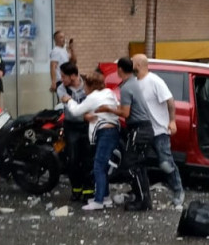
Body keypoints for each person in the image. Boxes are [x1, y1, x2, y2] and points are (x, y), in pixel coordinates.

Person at [132, 53, 185, 208]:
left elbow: (170, 100)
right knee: (139, 163)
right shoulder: (134, 83)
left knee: (166, 163)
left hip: (159, 131)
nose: (130, 64)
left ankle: (178, 190)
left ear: (139, 65)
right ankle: (141, 193)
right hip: (143, 131)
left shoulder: (155, 81)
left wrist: (172, 121)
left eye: (132, 62)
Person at [64, 70, 120, 211]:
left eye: (85, 86)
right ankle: (105, 197)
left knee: (98, 166)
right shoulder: (108, 92)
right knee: (103, 166)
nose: (83, 89)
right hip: (112, 131)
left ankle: (98, 201)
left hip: (104, 133)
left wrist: (69, 100)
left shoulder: (93, 97)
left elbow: (76, 111)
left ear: (90, 85)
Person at [111, 57, 155, 211]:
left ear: (120, 69)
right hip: (145, 129)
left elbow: (125, 113)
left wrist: (108, 109)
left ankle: (141, 201)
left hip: (139, 130)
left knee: (130, 166)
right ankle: (144, 199)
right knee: (140, 166)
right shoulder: (134, 83)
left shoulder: (126, 87)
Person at [57, 61, 93, 201]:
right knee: (73, 159)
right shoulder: (62, 89)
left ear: (73, 76)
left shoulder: (88, 84)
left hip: (87, 126)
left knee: (88, 158)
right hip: (71, 127)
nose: (61, 79)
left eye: (63, 76)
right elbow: (72, 110)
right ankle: (76, 189)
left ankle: (88, 190)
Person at [49, 30, 76, 95]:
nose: (63, 39)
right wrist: (54, 82)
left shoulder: (64, 50)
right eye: (61, 37)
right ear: (56, 40)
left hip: (67, 80)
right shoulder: (56, 51)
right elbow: (53, 66)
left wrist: (71, 49)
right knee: (67, 99)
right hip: (61, 82)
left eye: (64, 37)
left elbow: (73, 61)